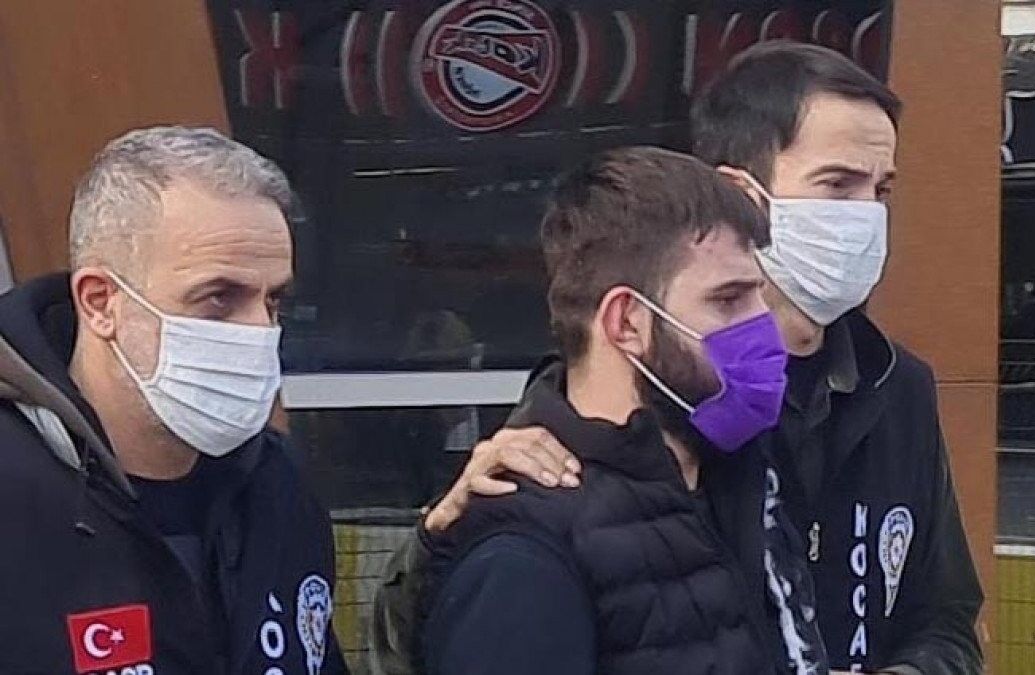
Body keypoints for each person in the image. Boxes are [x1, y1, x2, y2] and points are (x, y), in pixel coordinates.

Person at [418, 42, 985, 675]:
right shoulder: (668, 406)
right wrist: (439, 537)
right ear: (741, 192)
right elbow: (481, 595)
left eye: (881, 189)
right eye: (837, 184)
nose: (868, 217)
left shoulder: (895, 385)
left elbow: (947, 613)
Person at [421, 146, 829, 675]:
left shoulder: (739, 478)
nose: (763, 328)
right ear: (627, 322)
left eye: (760, 299)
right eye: (728, 300)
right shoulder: (523, 556)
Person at [0, 126, 347, 673]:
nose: (259, 331)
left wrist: (435, 551)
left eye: (273, 300)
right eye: (219, 298)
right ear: (101, 303)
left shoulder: (278, 485)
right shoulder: (16, 495)